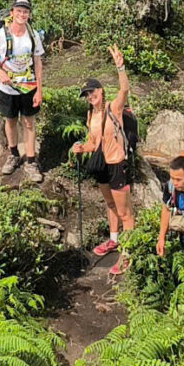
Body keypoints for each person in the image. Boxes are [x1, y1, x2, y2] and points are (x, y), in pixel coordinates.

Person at [70, 45, 135, 275]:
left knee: (125, 213)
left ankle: (127, 254)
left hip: (117, 164)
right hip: (102, 166)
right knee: (110, 205)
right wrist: (81, 148)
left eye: (92, 91)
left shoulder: (112, 108)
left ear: (101, 90)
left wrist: (120, 66)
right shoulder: (91, 115)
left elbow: (125, 89)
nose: (90, 96)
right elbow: (93, 144)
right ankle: (114, 240)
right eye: (87, 95)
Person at [0, 0, 45, 184]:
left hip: (29, 85)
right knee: (11, 120)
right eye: (19, 11)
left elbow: (38, 62)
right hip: (7, 87)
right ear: (12, 13)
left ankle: (31, 161)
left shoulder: (33, 35)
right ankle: (14, 153)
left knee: (29, 122)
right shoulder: (1, 35)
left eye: (25, 11)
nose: (22, 14)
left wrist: (40, 90)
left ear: (29, 15)